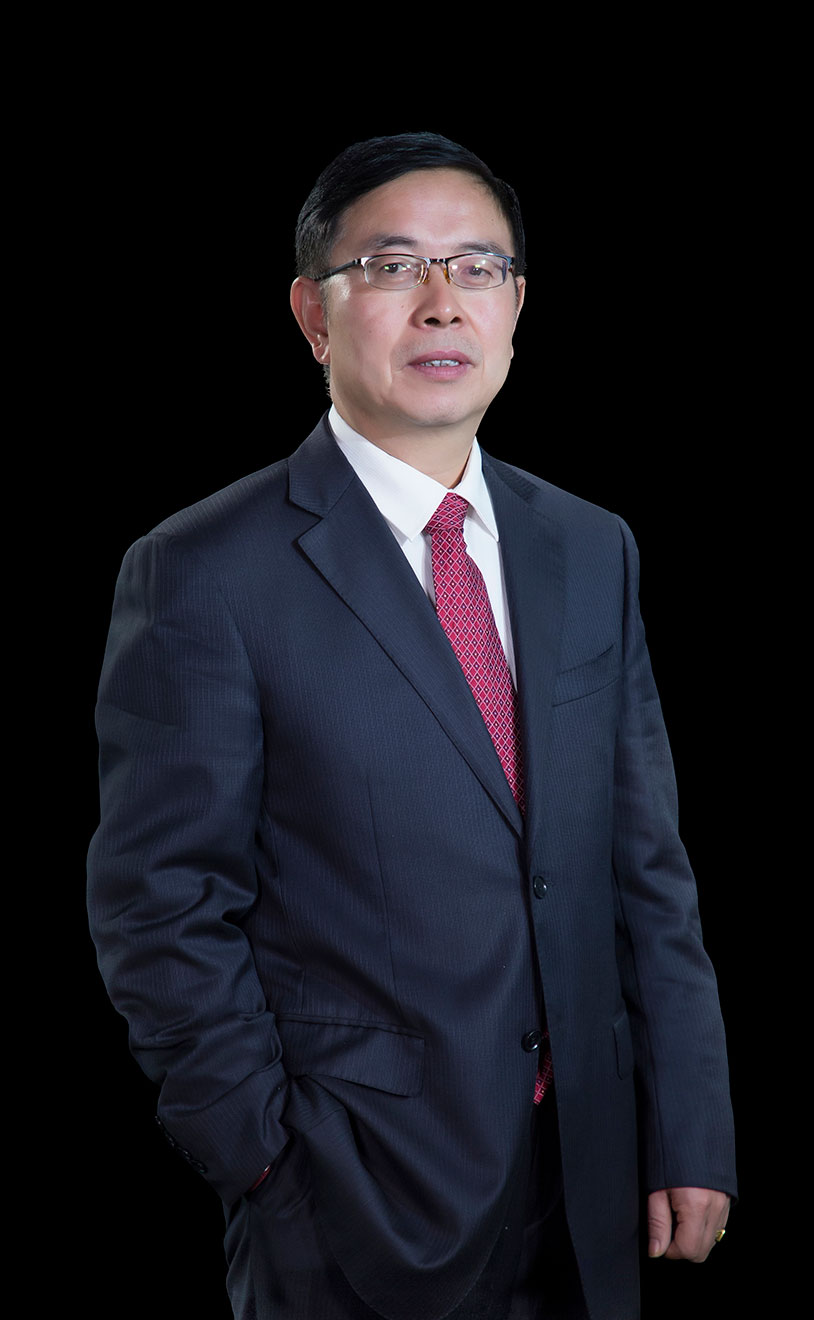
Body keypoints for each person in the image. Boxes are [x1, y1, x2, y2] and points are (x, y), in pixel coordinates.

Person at [87, 132, 736, 1320]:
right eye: (392, 267)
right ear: (313, 315)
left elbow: (644, 864)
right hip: (350, 1193)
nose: (443, 302)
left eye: (478, 268)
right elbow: (160, 902)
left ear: (515, 305)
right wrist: (263, 1161)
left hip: (589, 1177)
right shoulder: (203, 571)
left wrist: (689, 1123)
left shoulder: (589, 548)